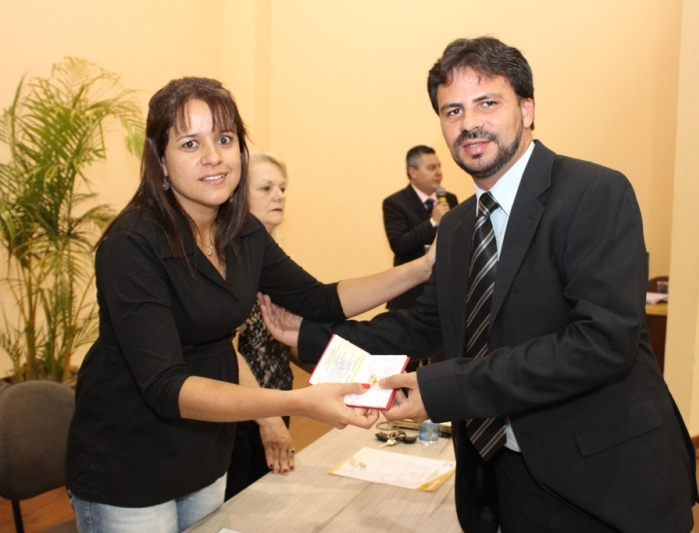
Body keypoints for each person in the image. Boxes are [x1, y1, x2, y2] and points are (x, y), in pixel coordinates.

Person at [263, 37, 699, 533]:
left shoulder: (594, 193)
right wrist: (312, 336)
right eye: (453, 111)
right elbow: (425, 325)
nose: (469, 123)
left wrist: (442, 388)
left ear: (527, 109)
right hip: (502, 479)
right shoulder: (456, 226)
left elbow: (601, 343)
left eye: (487, 103)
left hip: (605, 481)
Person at [65, 77, 435, 533]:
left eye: (224, 139)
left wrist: (423, 267)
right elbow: (166, 385)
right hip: (128, 463)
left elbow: (320, 300)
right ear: (160, 159)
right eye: (190, 143)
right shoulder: (132, 245)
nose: (213, 156)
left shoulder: (241, 232)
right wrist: (297, 402)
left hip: (205, 453)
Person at [225, 151, 296, 500]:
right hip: (242, 416)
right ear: (237, 197)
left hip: (276, 403)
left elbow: (283, 338)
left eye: (282, 188)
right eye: (266, 188)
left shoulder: (271, 256)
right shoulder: (228, 259)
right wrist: (267, 418)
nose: (279, 196)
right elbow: (227, 349)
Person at [382, 145, 458, 311]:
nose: (439, 172)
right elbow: (399, 244)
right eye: (431, 167)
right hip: (409, 293)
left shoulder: (450, 199)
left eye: (439, 166)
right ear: (413, 172)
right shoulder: (395, 203)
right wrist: (433, 222)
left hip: (444, 291)